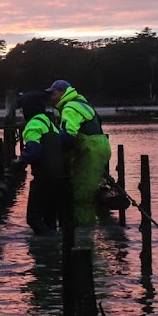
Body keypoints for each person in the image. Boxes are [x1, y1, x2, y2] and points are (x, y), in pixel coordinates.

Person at [45, 79, 111, 227]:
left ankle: (84, 234)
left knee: (83, 194)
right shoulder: (82, 103)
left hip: (91, 150)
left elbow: (68, 135)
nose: (51, 97)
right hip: (99, 147)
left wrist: (50, 148)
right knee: (85, 188)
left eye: (53, 93)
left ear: (62, 92)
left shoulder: (70, 107)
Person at [14, 90, 66, 235]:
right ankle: (55, 250)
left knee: (33, 219)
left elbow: (34, 151)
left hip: (43, 178)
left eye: (23, 108)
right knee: (50, 219)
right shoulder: (50, 123)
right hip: (58, 178)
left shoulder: (33, 125)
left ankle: (45, 246)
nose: (21, 111)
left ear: (28, 109)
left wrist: (20, 161)